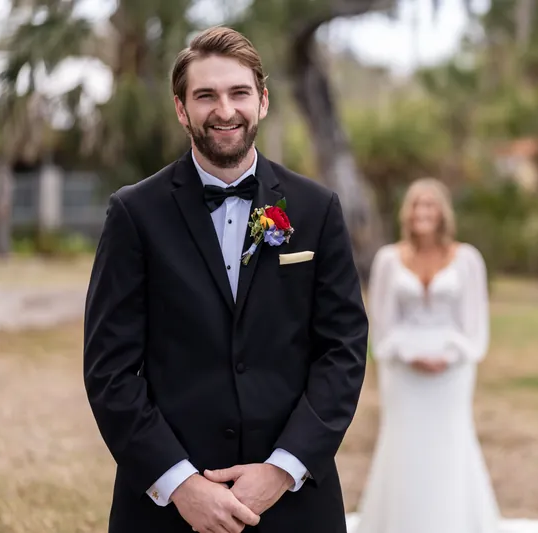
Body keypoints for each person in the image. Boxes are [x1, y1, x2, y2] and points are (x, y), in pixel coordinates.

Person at [83, 26, 368, 533]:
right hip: (166, 510)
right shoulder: (133, 213)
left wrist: (282, 470)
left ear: (261, 101)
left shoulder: (317, 209)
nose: (224, 110)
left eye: (238, 93)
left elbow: (342, 350)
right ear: (180, 108)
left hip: (294, 506)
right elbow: (110, 369)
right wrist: (180, 484)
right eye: (205, 95)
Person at [348, 178, 538, 533]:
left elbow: (475, 325)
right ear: (406, 213)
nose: (422, 212)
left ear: (442, 213)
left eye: (430, 205)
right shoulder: (388, 260)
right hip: (402, 371)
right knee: (403, 441)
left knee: (450, 439)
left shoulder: (467, 259)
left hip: (451, 372)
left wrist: (452, 356)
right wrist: (408, 355)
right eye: (416, 205)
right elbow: (380, 325)